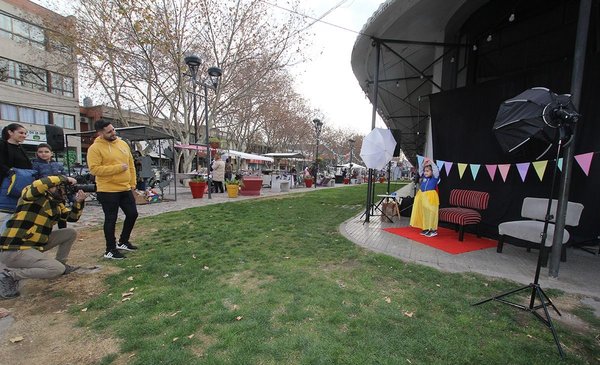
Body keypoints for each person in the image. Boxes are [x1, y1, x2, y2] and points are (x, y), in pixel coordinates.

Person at [0, 175, 87, 299]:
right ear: (48, 187)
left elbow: (72, 217)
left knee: (69, 233)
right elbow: (39, 184)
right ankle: (10, 276)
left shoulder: (55, 203)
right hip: (15, 248)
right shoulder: (30, 194)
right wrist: (66, 179)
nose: (61, 189)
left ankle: (61, 263)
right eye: (58, 187)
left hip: (35, 244)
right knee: (56, 270)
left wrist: (79, 202)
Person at [87, 119, 138, 260]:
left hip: (125, 188)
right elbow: (94, 169)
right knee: (111, 219)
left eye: (113, 129)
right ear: (100, 133)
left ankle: (123, 241)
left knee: (132, 214)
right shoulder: (94, 149)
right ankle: (110, 249)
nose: (113, 133)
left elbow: (130, 164)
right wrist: (118, 168)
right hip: (107, 190)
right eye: (109, 132)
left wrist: (133, 183)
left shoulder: (122, 144)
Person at [32, 143, 67, 229]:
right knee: (46, 216)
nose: (43, 154)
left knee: (62, 214)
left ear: (51, 153)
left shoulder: (58, 165)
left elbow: (64, 176)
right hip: (44, 195)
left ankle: (63, 233)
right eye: (40, 152)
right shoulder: (34, 165)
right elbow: (34, 180)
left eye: (46, 151)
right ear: (37, 153)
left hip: (58, 194)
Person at [0, 123, 33, 213]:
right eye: (21, 133)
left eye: (25, 133)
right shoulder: (3, 145)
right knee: (8, 214)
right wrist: (11, 172)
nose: (24, 136)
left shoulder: (20, 148)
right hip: (8, 185)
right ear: (10, 132)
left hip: (21, 184)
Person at [409, 157, 440, 237]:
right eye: (425, 171)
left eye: (427, 171)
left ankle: (433, 230)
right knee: (425, 213)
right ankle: (426, 228)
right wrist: (424, 163)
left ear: (432, 172)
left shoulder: (435, 178)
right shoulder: (423, 177)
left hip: (431, 197)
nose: (425, 173)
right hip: (423, 196)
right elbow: (420, 170)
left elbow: (436, 169)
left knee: (432, 213)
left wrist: (431, 162)